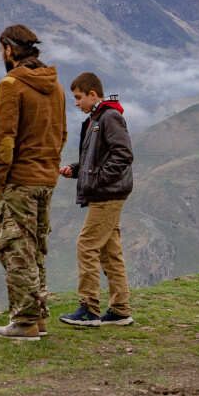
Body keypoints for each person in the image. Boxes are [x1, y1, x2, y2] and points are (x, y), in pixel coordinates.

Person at [0, 25, 67, 342]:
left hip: (19, 179)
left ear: (8, 49)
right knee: (35, 248)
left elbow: (4, 140)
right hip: (46, 178)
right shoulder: (57, 88)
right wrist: (48, 166)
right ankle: (39, 317)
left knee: (15, 248)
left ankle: (23, 321)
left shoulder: (11, 86)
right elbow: (61, 135)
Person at [59, 72, 134, 327]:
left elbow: (123, 155)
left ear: (93, 94)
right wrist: (77, 170)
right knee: (110, 251)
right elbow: (97, 159)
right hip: (107, 192)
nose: (77, 103)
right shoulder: (96, 119)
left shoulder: (109, 117)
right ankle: (120, 310)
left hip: (108, 194)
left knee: (86, 245)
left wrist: (99, 179)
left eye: (79, 98)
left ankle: (89, 309)